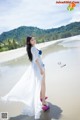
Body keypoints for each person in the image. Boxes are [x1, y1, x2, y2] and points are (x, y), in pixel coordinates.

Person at [0, 36, 50, 119]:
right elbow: (36, 60)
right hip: (39, 68)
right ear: (29, 42)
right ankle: (44, 102)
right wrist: (41, 69)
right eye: (32, 40)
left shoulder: (33, 48)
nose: (34, 40)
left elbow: (36, 58)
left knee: (41, 83)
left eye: (34, 39)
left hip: (37, 67)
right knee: (43, 84)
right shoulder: (33, 49)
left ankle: (41, 97)